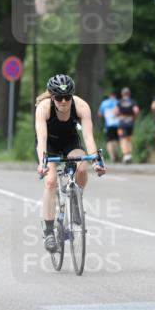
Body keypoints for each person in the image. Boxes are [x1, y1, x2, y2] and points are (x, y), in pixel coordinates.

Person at [35, 74, 106, 253]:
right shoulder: (43, 107)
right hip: (49, 144)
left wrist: (96, 160)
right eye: (59, 98)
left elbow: (88, 136)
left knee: (82, 167)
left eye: (67, 97)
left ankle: (76, 201)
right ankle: (49, 231)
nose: (64, 101)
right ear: (52, 96)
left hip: (70, 141)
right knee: (50, 181)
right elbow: (42, 138)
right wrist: (42, 163)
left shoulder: (81, 106)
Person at [115, 87, 140, 164]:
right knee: (129, 138)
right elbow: (136, 110)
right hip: (130, 122)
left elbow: (115, 112)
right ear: (129, 94)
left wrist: (119, 115)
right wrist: (134, 118)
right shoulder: (132, 102)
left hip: (122, 123)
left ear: (122, 94)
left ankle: (126, 155)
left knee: (122, 139)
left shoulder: (120, 102)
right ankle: (129, 154)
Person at [97, 91, 121, 163]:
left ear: (110, 95)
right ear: (115, 95)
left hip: (108, 125)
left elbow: (100, 114)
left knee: (109, 141)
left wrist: (106, 116)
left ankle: (112, 157)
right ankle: (116, 155)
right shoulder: (118, 102)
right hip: (118, 125)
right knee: (117, 140)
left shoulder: (104, 103)